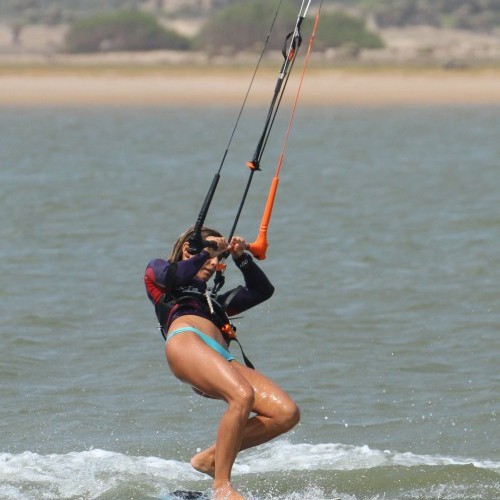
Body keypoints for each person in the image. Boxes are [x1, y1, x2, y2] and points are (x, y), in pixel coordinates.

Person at [144, 226, 300, 500]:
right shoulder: (161, 276)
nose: (214, 262)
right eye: (210, 256)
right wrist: (205, 251)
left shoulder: (215, 302)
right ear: (188, 250)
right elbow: (176, 274)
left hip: (222, 357)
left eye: (218, 258)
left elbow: (262, 290)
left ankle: (210, 459)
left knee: (286, 413)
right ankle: (222, 488)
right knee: (242, 396)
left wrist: (241, 257)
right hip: (186, 341)